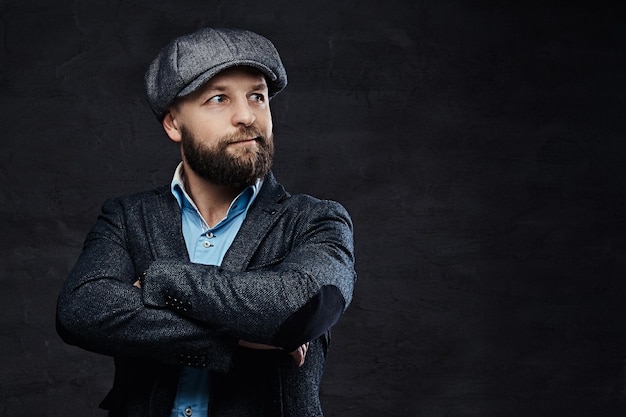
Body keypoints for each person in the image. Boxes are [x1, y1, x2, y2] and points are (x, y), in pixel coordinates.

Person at [56, 27, 356, 417]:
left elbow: (305, 308)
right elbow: (82, 310)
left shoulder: (316, 220)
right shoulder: (127, 218)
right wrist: (234, 338)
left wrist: (159, 280)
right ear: (173, 124)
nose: (246, 116)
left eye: (257, 96)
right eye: (219, 98)